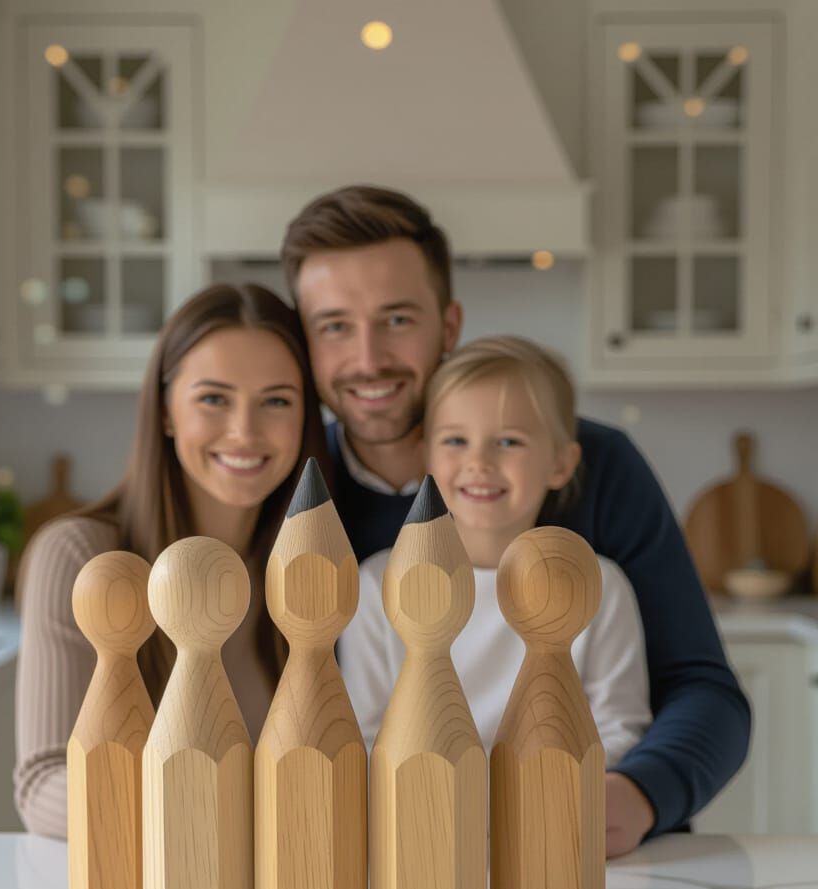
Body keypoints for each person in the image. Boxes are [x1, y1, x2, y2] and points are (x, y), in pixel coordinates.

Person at [281, 184, 751, 855]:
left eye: (397, 320)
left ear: (447, 325)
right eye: (333, 326)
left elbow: (704, 693)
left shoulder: (597, 467)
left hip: (583, 844)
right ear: (306, 341)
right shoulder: (299, 494)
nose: (368, 358)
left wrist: (638, 793)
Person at [14, 283, 331, 838]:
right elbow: (43, 784)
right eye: (214, 398)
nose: (244, 431)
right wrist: (194, 807)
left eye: (276, 400)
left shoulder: (307, 570)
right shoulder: (80, 555)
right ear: (165, 411)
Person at [339, 337, 652, 856]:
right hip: (421, 838)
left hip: (553, 838)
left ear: (560, 463)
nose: (479, 462)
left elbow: (620, 729)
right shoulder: (379, 584)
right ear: (425, 457)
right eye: (456, 441)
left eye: (508, 441)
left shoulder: (600, 586)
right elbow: (367, 737)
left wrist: (534, 800)